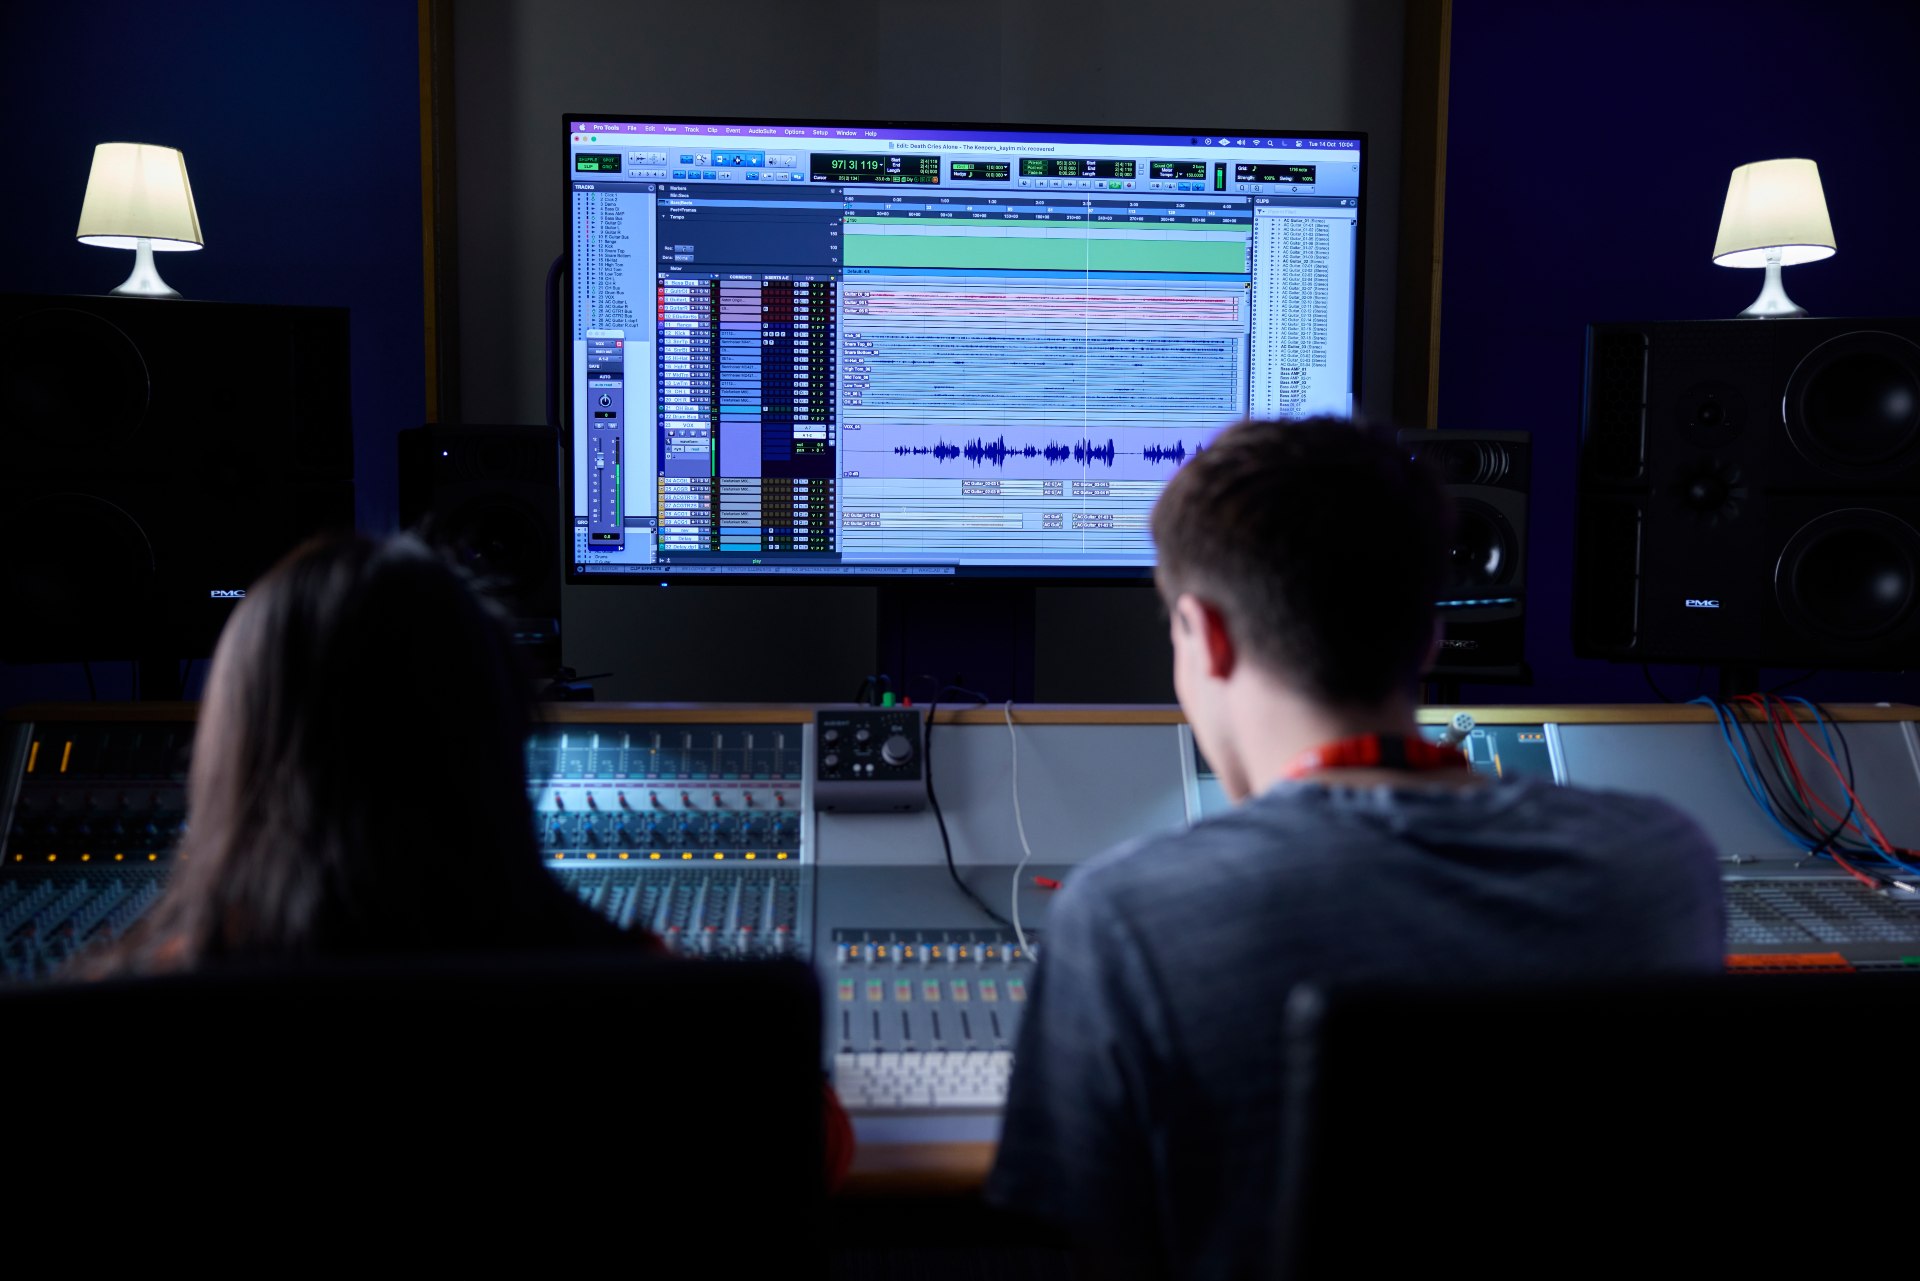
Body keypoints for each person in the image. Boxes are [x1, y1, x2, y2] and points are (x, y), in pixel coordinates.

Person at [986, 418, 1723, 1278]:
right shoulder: (1664, 866)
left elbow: (1079, 1245)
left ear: (1205, 634)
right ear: (1431, 632)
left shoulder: (1127, 919)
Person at [71, 532, 854, 1182]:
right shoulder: (680, 1019)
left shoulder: (120, 1025)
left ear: (232, 752)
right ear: (498, 745)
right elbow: (820, 1150)